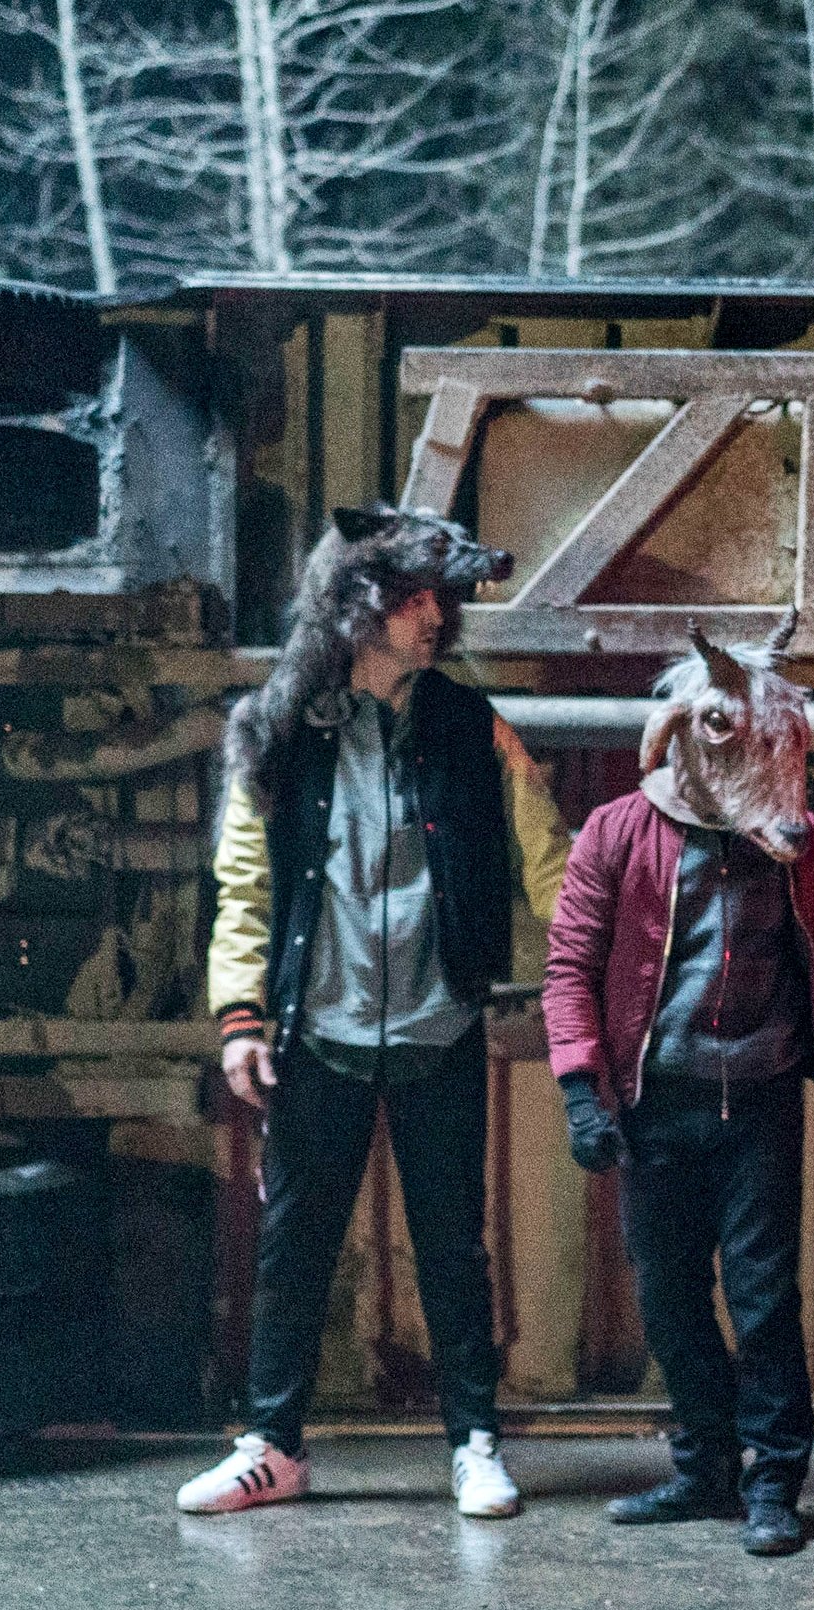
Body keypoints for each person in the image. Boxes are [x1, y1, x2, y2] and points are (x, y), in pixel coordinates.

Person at [178, 506, 571, 1520]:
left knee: (454, 1247)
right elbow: (243, 885)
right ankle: (273, 1446)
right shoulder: (278, 727)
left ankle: (475, 1443)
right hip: (318, 1032)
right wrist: (240, 1016)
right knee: (294, 1247)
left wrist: (618, 949)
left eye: (442, 598)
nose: (435, 616)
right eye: (412, 597)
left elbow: (552, 866)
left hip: (441, 1024)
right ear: (355, 605)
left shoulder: (473, 725)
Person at [540, 615, 814, 1557]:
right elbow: (570, 968)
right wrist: (582, 1090)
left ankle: (774, 1482)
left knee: (763, 1297)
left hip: (759, 1100)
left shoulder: (797, 842)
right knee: (669, 1297)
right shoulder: (617, 832)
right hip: (655, 1102)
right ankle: (704, 1467)